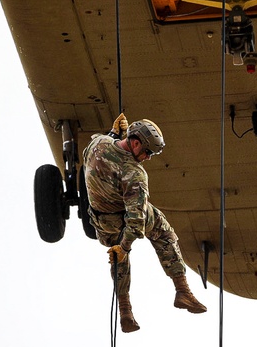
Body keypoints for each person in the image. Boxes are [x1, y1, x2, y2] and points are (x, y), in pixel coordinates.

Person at [83, 113, 207, 333]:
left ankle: (125, 312)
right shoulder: (133, 173)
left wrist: (113, 134)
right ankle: (182, 290)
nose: (148, 158)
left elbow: (94, 152)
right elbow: (136, 220)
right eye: (147, 152)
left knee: (117, 258)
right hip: (119, 218)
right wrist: (125, 246)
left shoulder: (97, 143)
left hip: (99, 222)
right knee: (161, 230)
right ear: (136, 142)